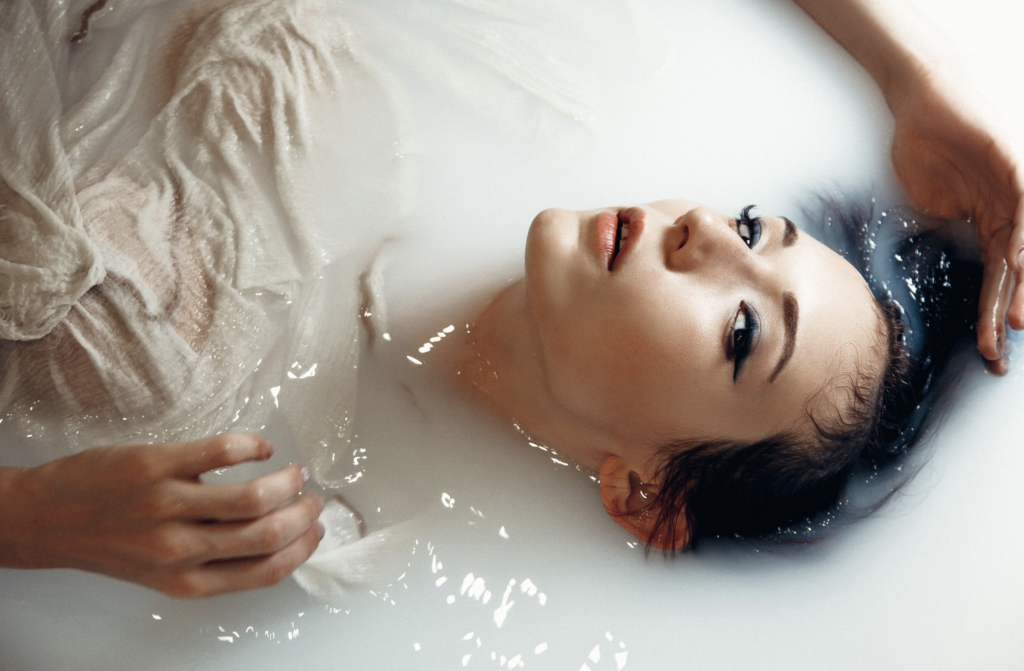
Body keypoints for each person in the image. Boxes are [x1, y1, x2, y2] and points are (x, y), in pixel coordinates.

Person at [1, 0, 1022, 596]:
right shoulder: (545, 76)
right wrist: (904, 72)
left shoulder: (188, 417)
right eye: (754, 227)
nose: (704, 231)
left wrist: (33, 520)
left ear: (638, 491)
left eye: (744, 330)